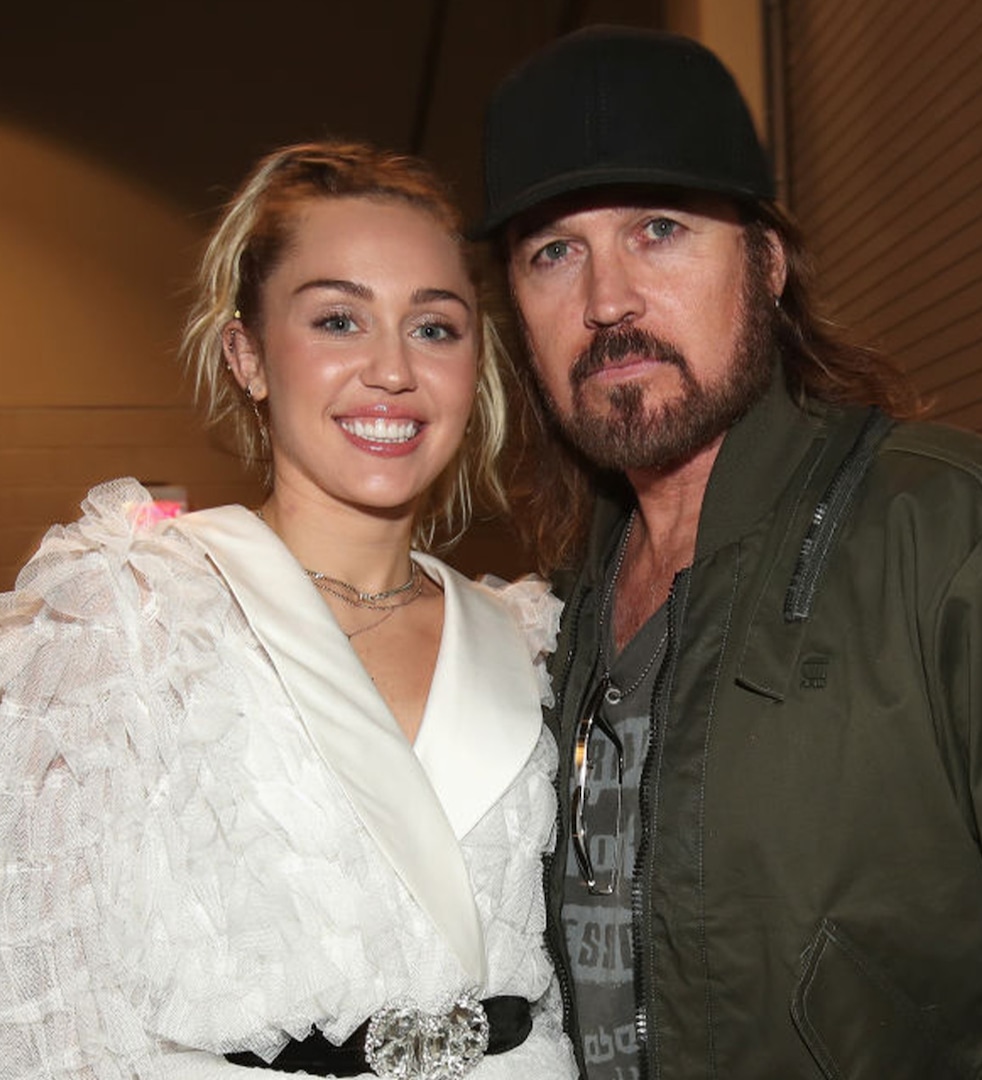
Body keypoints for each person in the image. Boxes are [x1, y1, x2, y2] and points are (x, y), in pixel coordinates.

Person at [475, 24, 982, 1080]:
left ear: (767, 260)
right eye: (553, 252)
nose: (606, 300)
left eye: (660, 228)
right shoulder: (562, 614)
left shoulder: (960, 540)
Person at [0, 142, 577, 1079]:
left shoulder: (530, 636)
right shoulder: (125, 616)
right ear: (249, 356)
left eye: (434, 328)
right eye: (339, 320)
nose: (391, 370)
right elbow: (40, 1013)